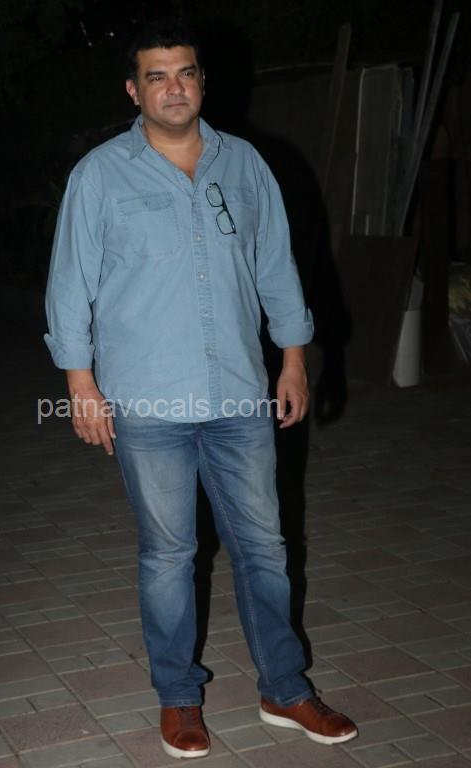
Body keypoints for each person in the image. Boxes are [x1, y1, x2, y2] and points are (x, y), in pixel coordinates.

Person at [44, 17, 357, 760]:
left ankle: (284, 689)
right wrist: (80, 385)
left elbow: (276, 266)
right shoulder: (100, 175)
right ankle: (178, 698)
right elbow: (69, 285)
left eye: (184, 73)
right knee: (168, 554)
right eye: (156, 76)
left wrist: (292, 360)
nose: (173, 88)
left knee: (265, 547)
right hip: (147, 399)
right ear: (134, 90)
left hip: (239, 392)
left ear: (202, 82)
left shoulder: (245, 164)